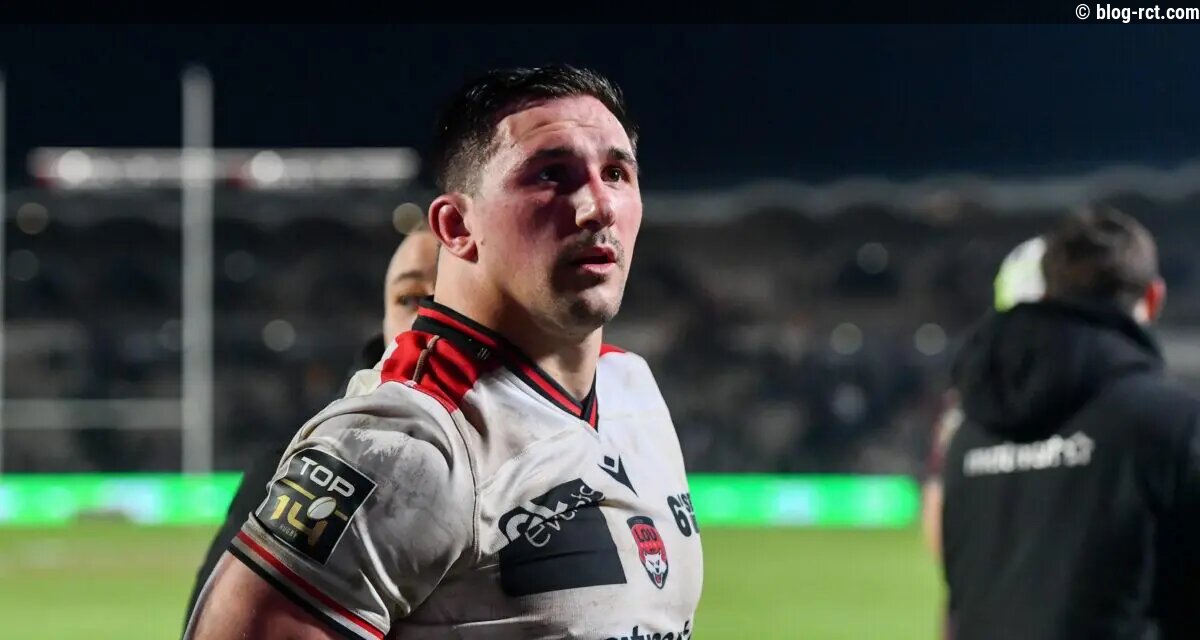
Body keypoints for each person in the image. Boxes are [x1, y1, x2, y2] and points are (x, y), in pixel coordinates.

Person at [186, 64, 703, 640]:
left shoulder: (632, 386)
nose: (598, 207)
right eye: (551, 174)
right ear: (456, 226)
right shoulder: (405, 446)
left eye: (616, 173)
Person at [940, 206, 1200, 639]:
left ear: (1048, 292)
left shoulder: (971, 428)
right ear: (1153, 298)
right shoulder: (1172, 422)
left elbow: (957, 604)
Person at [181, 222, 439, 628]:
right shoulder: (296, 465)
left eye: (451, 299)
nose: (430, 319)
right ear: (383, 322)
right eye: (409, 299)